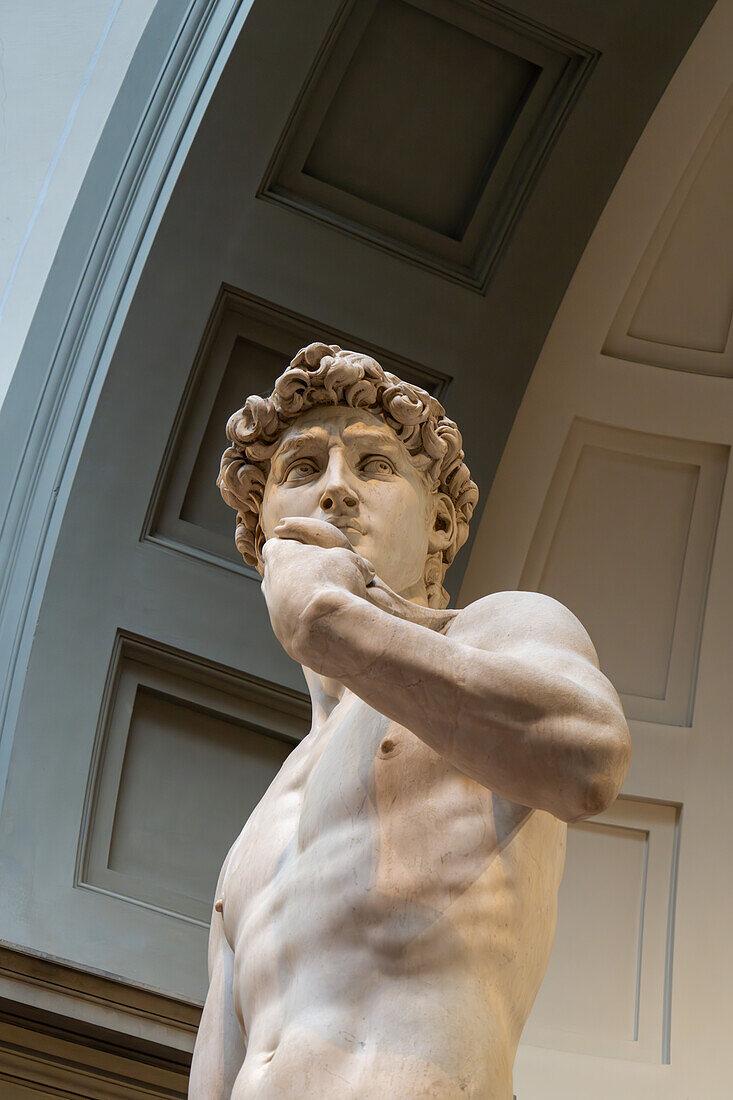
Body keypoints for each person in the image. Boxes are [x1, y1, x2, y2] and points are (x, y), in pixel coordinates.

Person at [188, 342, 630, 1098]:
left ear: (438, 527)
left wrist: (337, 625)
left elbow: (587, 759)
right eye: (302, 470)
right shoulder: (255, 830)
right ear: (261, 534)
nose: (334, 492)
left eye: (373, 466)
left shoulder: (498, 633)